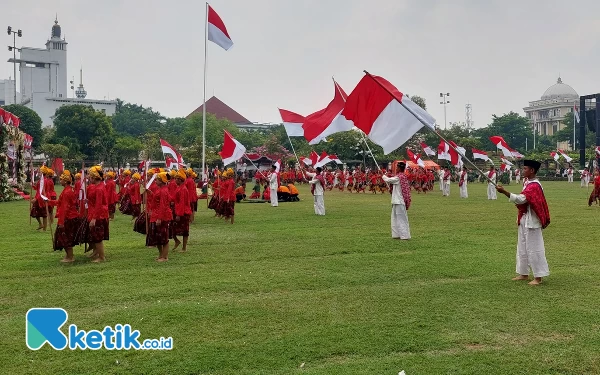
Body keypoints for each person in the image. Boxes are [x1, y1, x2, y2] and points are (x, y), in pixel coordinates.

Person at [496, 160, 550, 285]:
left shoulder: (534, 186)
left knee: (534, 248)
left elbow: (521, 199)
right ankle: (523, 273)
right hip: (524, 218)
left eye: (525, 168)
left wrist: (504, 192)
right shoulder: (527, 183)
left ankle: (538, 276)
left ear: (532, 170)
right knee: (522, 247)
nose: (523, 170)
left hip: (533, 220)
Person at [49, 170, 80, 263]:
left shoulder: (67, 192)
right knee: (65, 237)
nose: (60, 181)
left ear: (66, 181)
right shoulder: (68, 190)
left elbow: (64, 208)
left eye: (61, 180)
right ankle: (68, 255)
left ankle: (70, 257)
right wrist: (49, 201)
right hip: (69, 216)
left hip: (68, 218)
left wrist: (61, 221)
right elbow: (60, 203)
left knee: (65, 237)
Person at [85, 166, 109, 263]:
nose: (89, 178)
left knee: (98, 237)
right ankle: (98, 254)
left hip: (98, 215)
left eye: (90, 177)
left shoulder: (99, 188)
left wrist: (94, 218)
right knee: (95, 236)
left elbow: (99, 204)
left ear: (95, 177)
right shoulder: (98, 186)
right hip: (95, 213)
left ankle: (102, 257)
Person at [382, 162, 412, 240]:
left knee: (401, 218)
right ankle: (396, 234)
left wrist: (383, 176)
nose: (396, 169)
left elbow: (388, 180)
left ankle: (404, 236)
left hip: (399, 200)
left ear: (399, 168)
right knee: (394, 218)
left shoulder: (399, 177)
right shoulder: (399, 177)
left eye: (397, 167)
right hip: (396, 200)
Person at [147, 172, 172, 262]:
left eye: (157, 179)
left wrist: (159, 218)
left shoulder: (164, 191)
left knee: (163, 237)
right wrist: (150, 193)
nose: (155, 181)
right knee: (157, 237)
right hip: (156, 214)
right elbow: (156, 200)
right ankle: (161, 255)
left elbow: (163, 206)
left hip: (162, 216)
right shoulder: (160, 189)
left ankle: (165, 257)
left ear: (161, 181)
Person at [173, 169, 191, 252]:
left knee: (184, 230)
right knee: (172, 228)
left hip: (183, 212)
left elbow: (182, 203)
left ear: (180, 179)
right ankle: (177, 241)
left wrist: (179, 214)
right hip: (178, 211)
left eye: (176, 178)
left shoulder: (183, 189)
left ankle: (184, 248)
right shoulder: (179, 188)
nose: (174, 180)